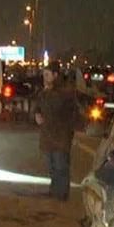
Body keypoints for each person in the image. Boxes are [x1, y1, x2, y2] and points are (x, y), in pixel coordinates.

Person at [33, 62, 78, 201]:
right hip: (48, 135)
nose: (44, 77)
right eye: (44, 74)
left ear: (55, 75)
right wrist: (36, 115)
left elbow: (56, 107)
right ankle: (54, 190)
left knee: (60, 165)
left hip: (61, 136)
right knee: (51, 164)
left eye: (47, 75)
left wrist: (46, 92)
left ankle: (62, 194)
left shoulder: (65, 91)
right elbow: (38, 107)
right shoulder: (45, 91)